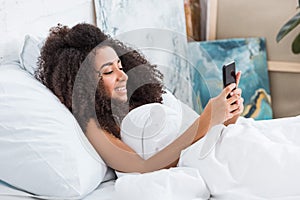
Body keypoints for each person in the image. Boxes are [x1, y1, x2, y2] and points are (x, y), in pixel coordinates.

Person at [35, 23, 244, 173]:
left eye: (120, 66)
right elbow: (141, 167)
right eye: (109, 72)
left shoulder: (138, 98)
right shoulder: (94, 126)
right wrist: (207, 118)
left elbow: (202, 133)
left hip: (224, 147)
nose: (123, 76)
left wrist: (228, 114)